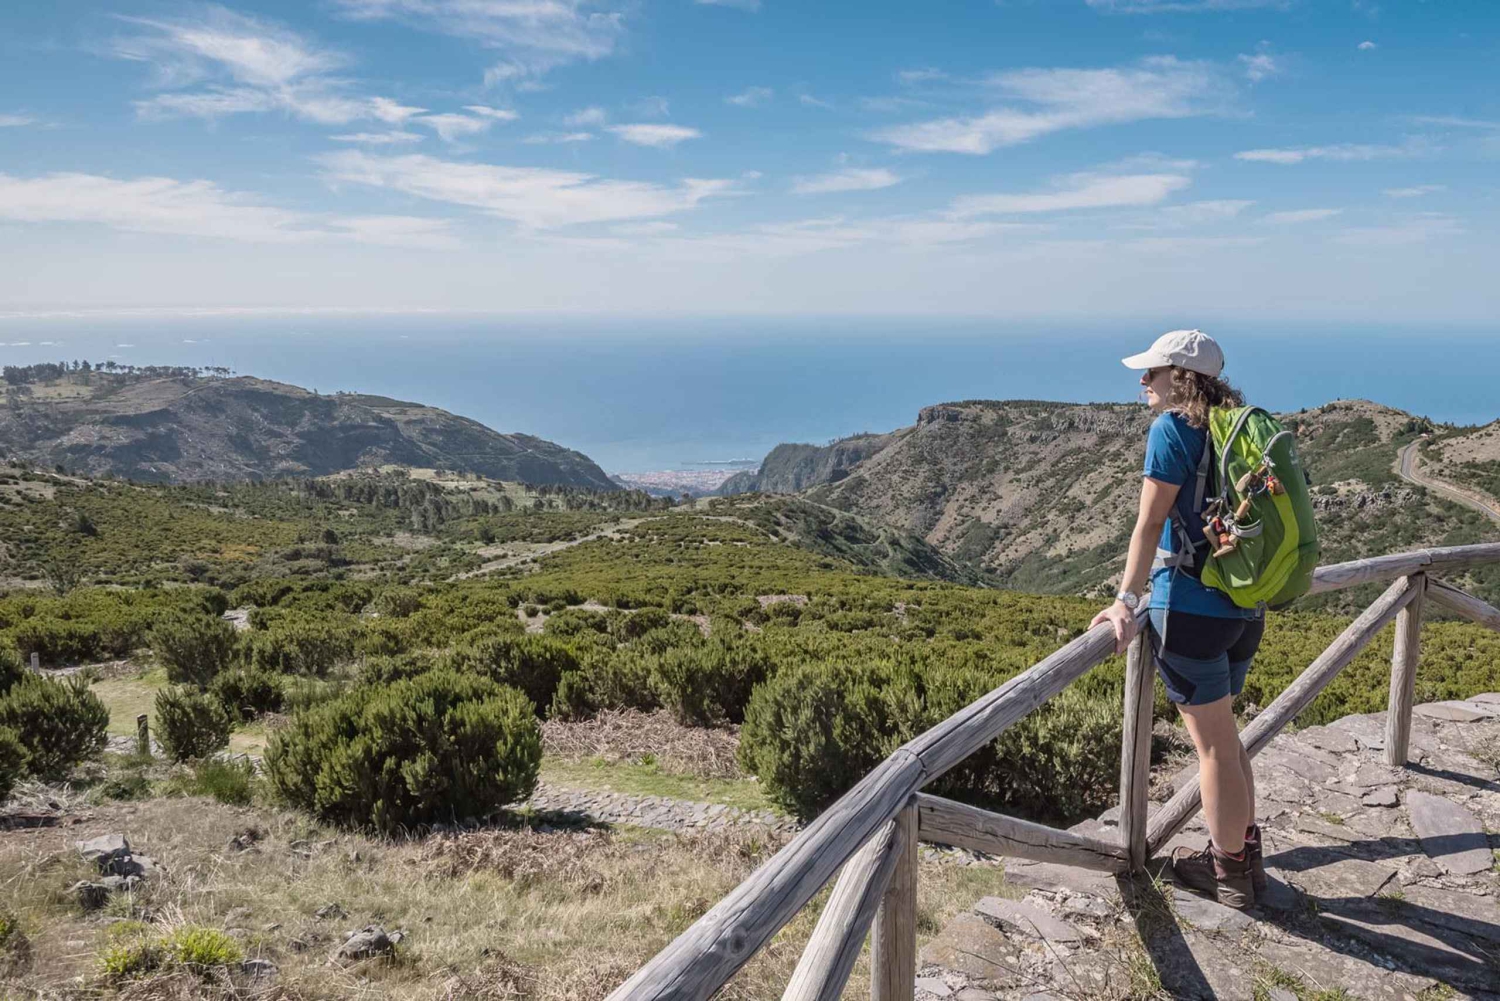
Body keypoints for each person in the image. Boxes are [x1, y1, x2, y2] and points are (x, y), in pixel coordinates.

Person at [1089, 329, 1266, 909]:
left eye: (1154, 372)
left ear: (1181, 377)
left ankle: (1230, 875)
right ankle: (1245, 853)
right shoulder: (1237, 427)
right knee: (1226, 736)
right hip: (1245, 608)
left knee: (1212, 748)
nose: (1144, 381)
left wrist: (1125, 599)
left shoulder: (1173, 428)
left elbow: (1148, 524)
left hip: (1190, 609)